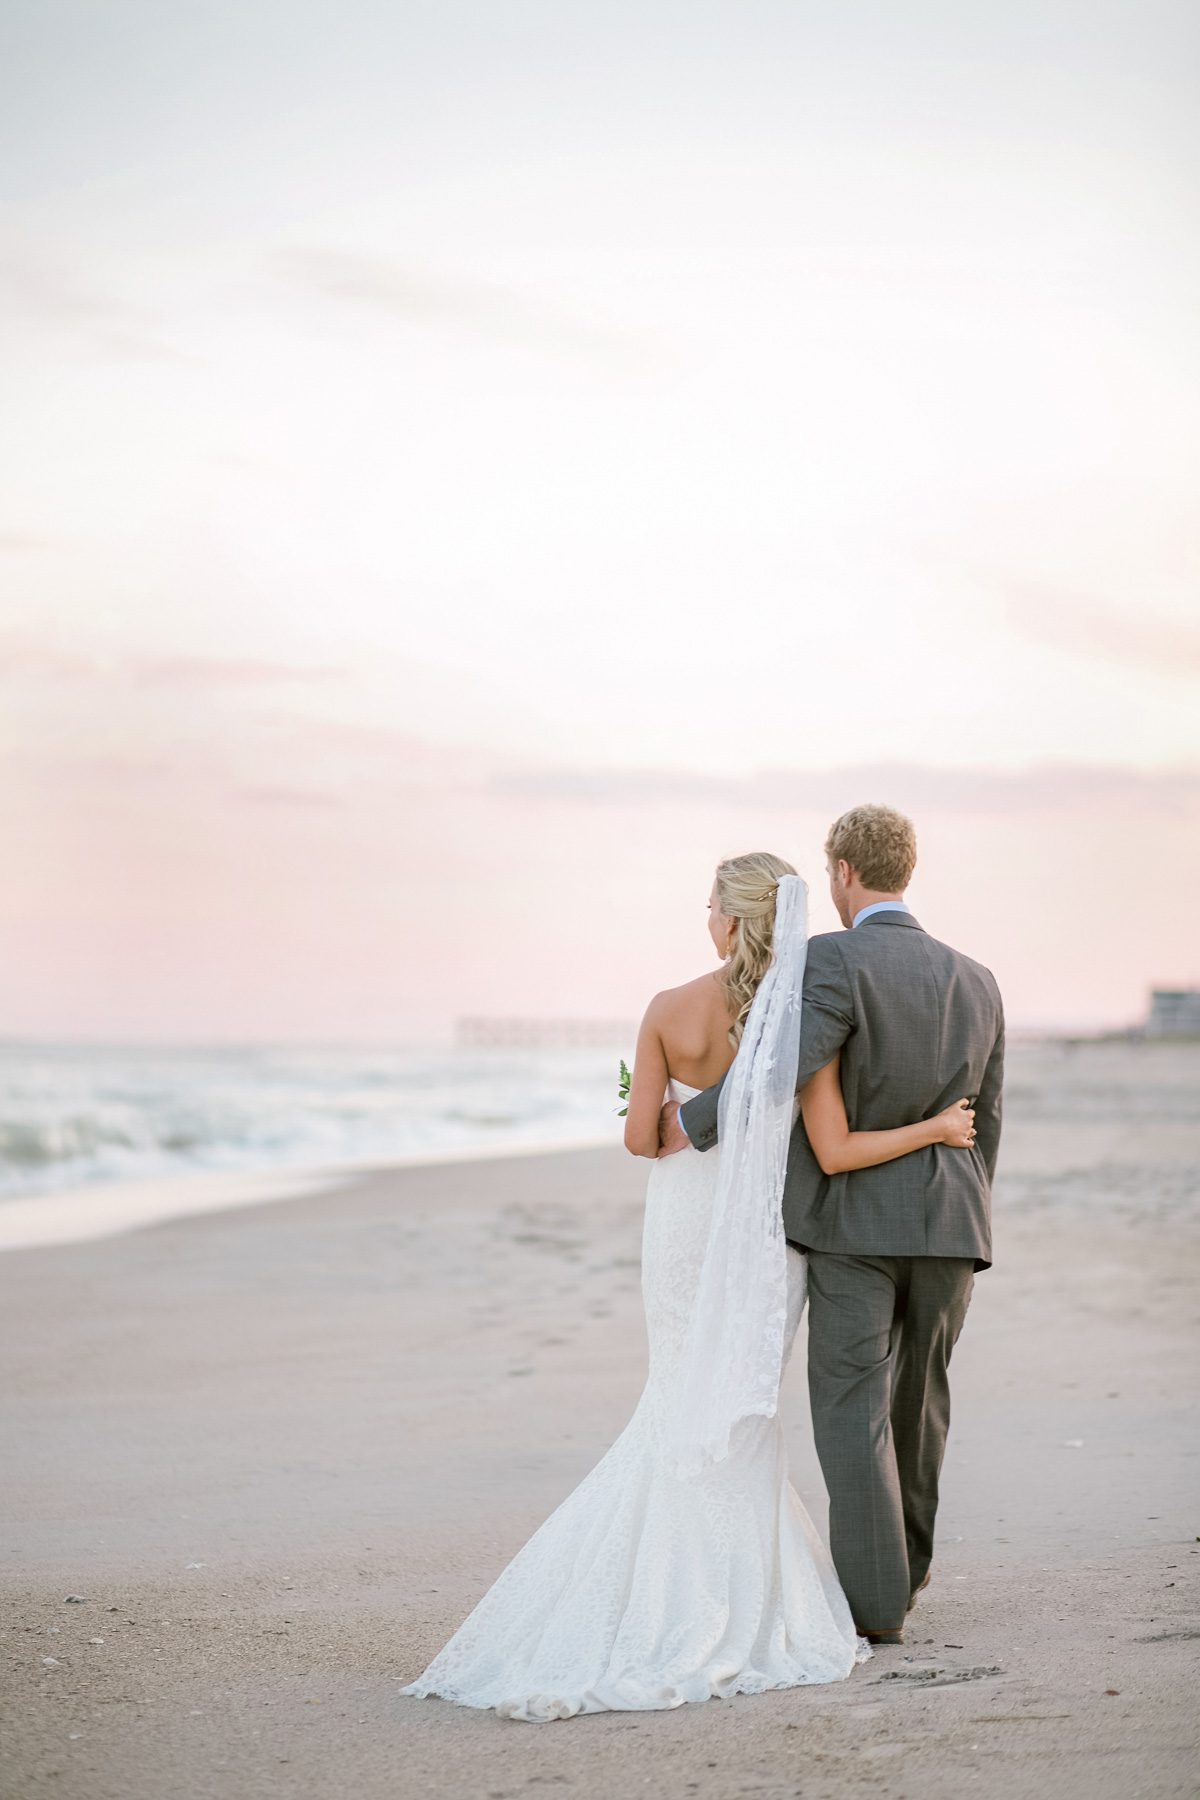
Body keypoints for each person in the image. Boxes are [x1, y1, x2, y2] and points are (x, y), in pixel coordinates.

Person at [400, 840, 983, 1722]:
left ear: (727, 918)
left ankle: (663, 1576)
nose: (705, 921)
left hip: (682, 1224)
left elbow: (643, 1137)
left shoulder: (669, 1009)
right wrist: (936, 1128)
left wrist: (654, 1103)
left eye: (709, 908)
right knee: (744, 1396)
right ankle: (747, 1582)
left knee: (675, 1385)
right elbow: (823, 1140)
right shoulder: (794, 1019)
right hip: (762, 1230)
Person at [661, 806, 1005, 1643]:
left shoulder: (835, 960)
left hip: (853, 1233)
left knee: (853, 1415)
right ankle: (905, 1574)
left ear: (843, 872)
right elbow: (987, 1118)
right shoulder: (978, 979)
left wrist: (690, 1123)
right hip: (953, 1225)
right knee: (921, 1408)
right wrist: (963, 1206)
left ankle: (876, 1607)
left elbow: (782, 1068)